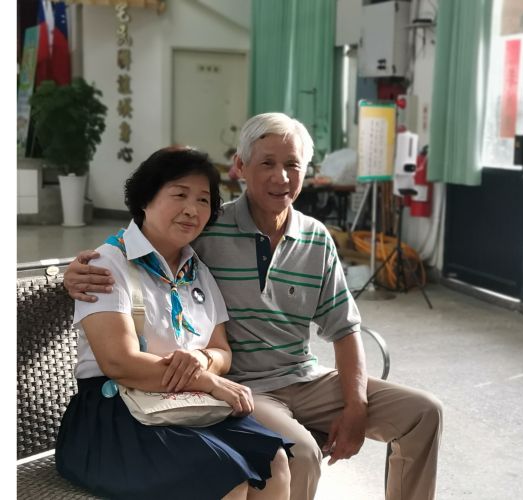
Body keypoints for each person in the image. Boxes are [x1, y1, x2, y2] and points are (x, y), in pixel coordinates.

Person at [64, 113, 443, 500]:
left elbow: (345, 330)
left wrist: (356, 406)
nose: (281, 177)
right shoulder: (209, 228)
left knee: (424, 412)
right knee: (300, 454)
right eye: (267, 163)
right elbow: (147, 242)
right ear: (241, 167)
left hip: (305, 376)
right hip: (247, 386)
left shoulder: (316, 239)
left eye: (292, 164)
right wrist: (73, 272)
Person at [56, 147, 293, 500]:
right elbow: (119, 363)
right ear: (145, 199)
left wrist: (201, 359)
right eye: (179, 194)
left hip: (183, 405)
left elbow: (222, 351)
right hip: (114, 416)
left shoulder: (198, 271)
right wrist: (205, 379)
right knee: (222, 476)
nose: (192, 209)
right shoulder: (107, 265)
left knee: (274, 459)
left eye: (203, 200)